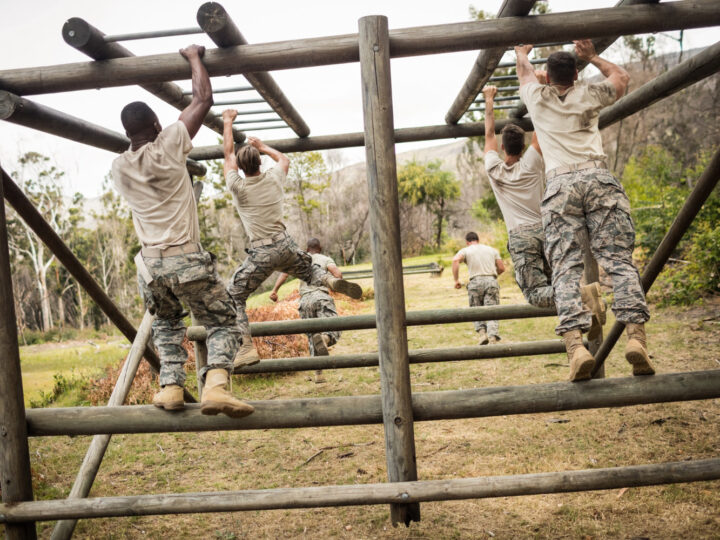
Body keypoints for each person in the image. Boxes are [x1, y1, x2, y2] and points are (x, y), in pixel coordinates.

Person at [111, 45, 253, 418]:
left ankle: (172, 387)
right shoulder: (169, 144)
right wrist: (193, 57)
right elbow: (202, 98)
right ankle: (217, 385)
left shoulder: (119, 168)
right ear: (158, 126)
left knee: (167, 322)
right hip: (184, 257)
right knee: (223, 320)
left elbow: (138, 145)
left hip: (149, 267)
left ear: (128, 133)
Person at [515, 39, 655, 381]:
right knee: (619, 261)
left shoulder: (537, 97)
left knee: (564, 268)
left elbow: (524, 75)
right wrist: (592, 56)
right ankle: (636, 339)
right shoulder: (589, 94)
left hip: (560, 185)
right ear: (576, 75)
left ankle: (575, 347)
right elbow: (621, 77)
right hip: (597, 178)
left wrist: (521, 54)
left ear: (547, 76)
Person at [221, 110, 362, 366]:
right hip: (285, 244)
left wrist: (227, 122)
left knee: (233, 297)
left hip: (262, 252)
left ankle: (246, 348)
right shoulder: (274, 178)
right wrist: (262, 146)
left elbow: (228, 154)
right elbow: (284, 159)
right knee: (309, 273)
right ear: (260, 163)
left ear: (241, 168)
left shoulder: (238, 187)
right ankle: (329, 280)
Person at [482, 84, 605, 330]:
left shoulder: (494, 170)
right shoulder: (532, 162)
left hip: (521, 236)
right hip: (547, 230)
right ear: (524, 145)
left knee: (535, 294)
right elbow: (540, 124)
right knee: (555, 281)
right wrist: (539, 88)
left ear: (503, 147)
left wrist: (489, 99)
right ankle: (583, 318)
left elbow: (488, 135)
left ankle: (583, 295)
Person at [269, 238, 343, 384]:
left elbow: (284, 274)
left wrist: (275, 290)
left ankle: (318, 375)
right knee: (335, 327)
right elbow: (338, 275)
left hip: (304, 301)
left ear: (307, 248)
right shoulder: (325, 259)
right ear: (320, 248)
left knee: (312, 338)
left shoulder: (300, 260)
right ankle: (326, 338)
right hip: (321, 297)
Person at [452, 232, 505, 344]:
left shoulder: (466, 250)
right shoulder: (492, 250)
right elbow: (501, 268)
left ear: (467, 242)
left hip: (475, 282)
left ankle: (482, 334)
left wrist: (456, 280)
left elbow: (455, 260)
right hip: (491, 281)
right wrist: (492, 275)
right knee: (492, 309)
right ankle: (492, 337)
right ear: (478, 240)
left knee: (476, 310)